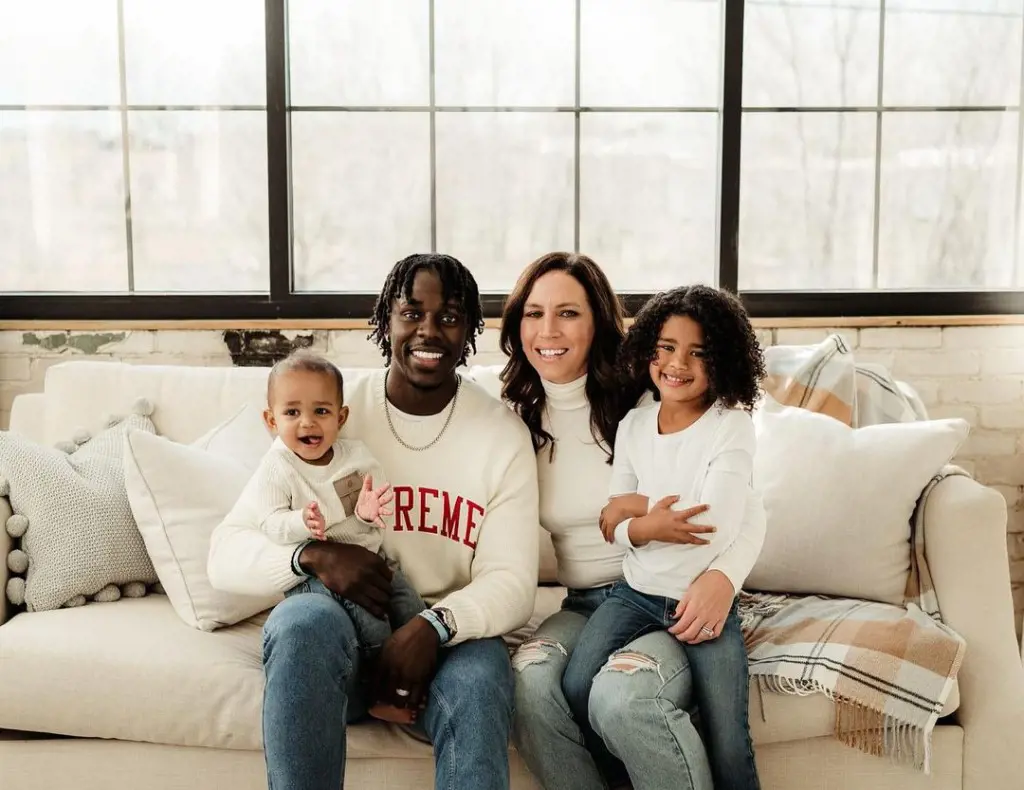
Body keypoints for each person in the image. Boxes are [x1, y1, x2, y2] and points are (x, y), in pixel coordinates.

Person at [208, 253, 540, 790]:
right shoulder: (329, 410)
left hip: (448, 639)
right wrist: (310, 555)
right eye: (411, 312)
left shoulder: (501, 434)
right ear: (386, 320)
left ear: (470, 331)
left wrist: (433, 626)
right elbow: (226, 552)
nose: (428, 330)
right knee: (300, 622)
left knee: (481, 678)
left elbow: (513, 582)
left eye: (450, 316)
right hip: (341, 635)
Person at [501, 252, 766, 790]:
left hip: (665, 588)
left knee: (622, 699)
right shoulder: (514, 417)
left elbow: (745, 508)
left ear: (598, 321)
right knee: (528, 682)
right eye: (533, 313)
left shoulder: (645, 397)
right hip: (585, 606)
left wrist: (723, 578)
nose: (548, 330)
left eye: (568, 313)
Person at [219, 350, 425, 723]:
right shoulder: (277, 467)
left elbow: (369, 509)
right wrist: (302, 524)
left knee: (408, 603)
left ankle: (424, 670)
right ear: (271, 420)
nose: (308, 424)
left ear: (341, 417)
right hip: (317, 576)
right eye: (292, 412)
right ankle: (384, 689)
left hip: (370, 559)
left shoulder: (355, 457)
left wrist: (367, 512)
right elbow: (269, 522)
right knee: (372, 616)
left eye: (321, 411)